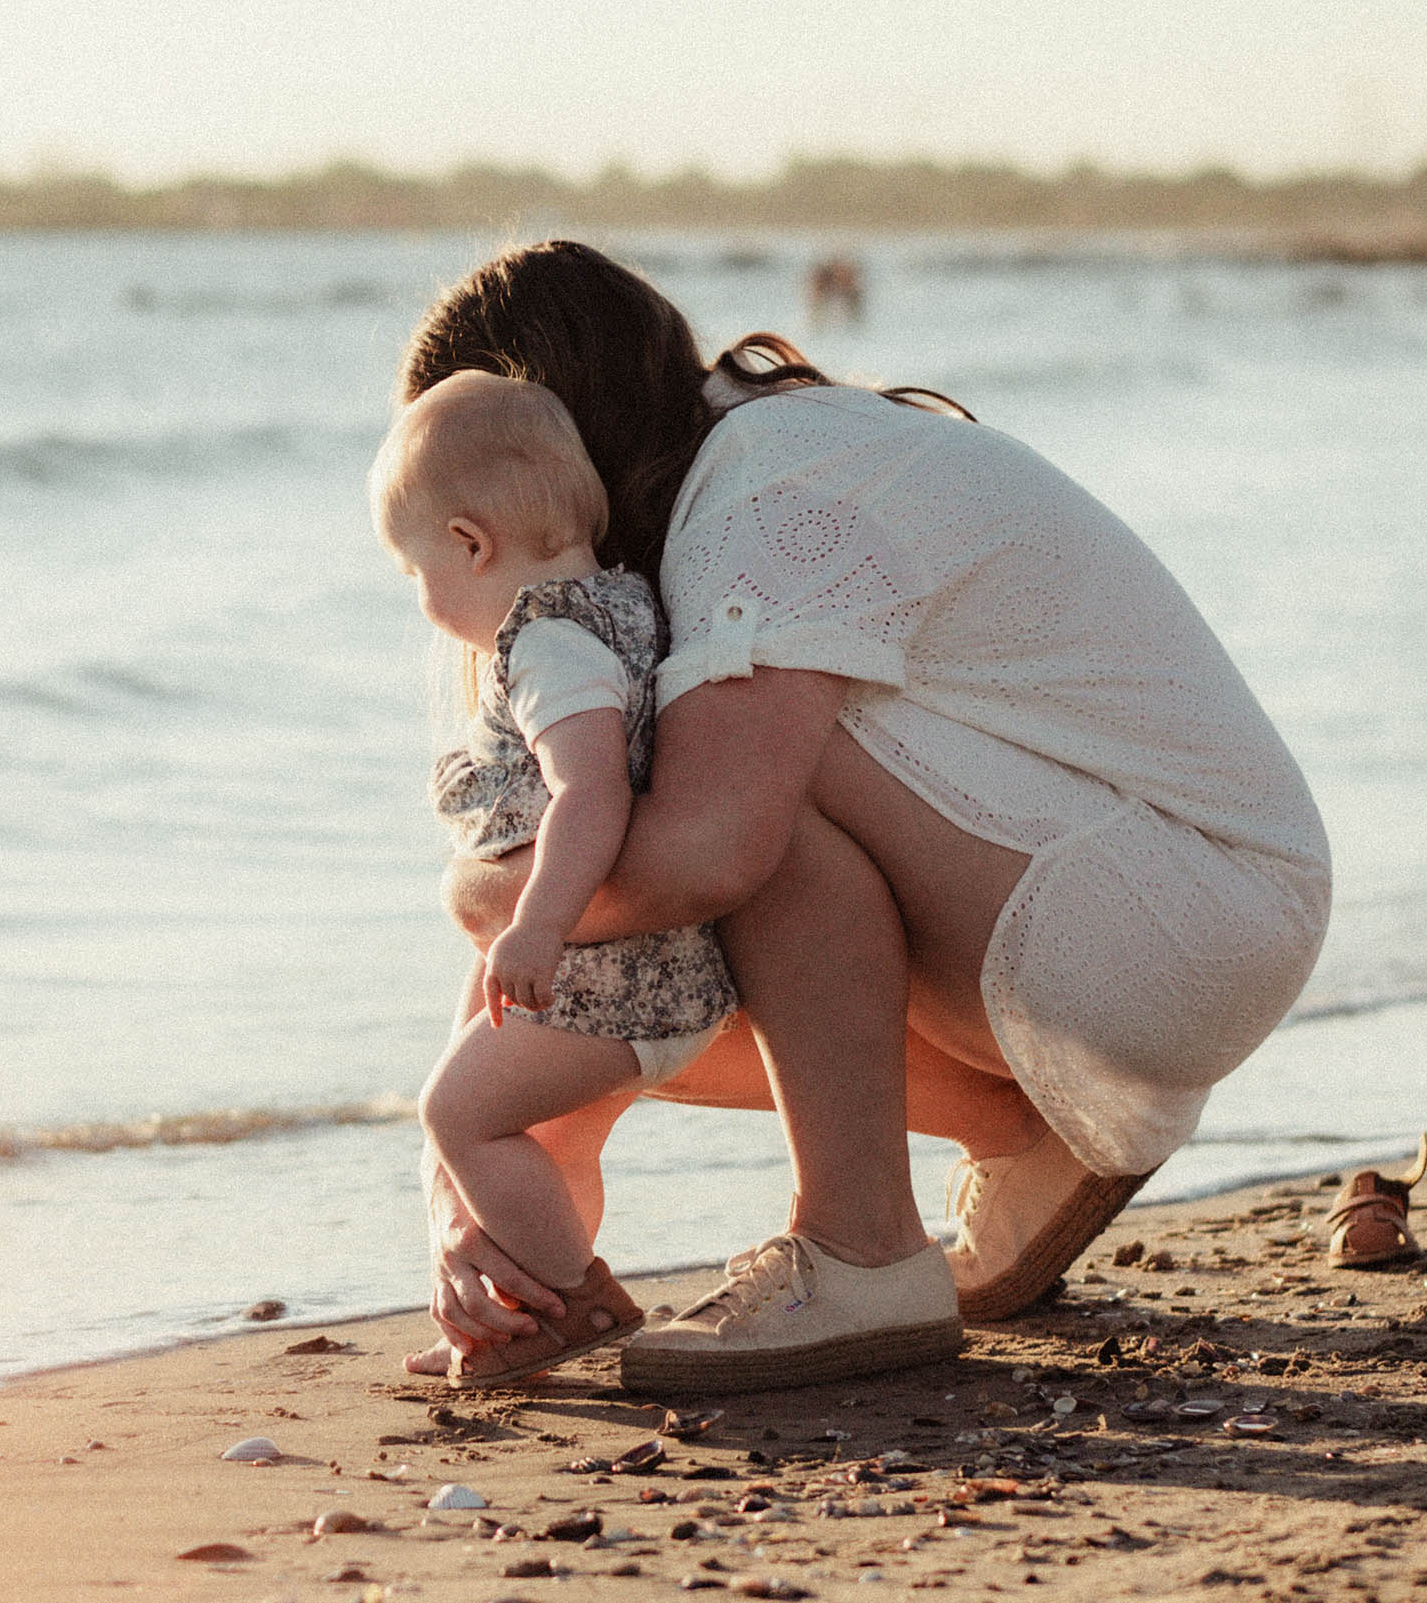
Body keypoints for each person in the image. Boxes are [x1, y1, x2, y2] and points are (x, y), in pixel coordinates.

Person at [397, 240, 1330, 1396]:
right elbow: (578, 952)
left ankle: (859, 1253)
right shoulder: (737, 471)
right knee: (629, 967)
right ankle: (1013, 1127)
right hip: (1151, 912)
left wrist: (473, 895)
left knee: (726, 816)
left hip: (1181, 906)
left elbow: (704, 857)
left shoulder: (761, 490)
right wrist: (467, 1192)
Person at [371, 371, 739, 1387]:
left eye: (416, 571)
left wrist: (533, 925)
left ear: (470, 544)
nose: (422, 599)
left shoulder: (549, 647)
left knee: (456, 1113)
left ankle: (574, 1297)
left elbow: (589, 797)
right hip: (637, 972)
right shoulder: (620, 601)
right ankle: (517, 1312)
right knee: (539, 1139)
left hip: (614, 975)